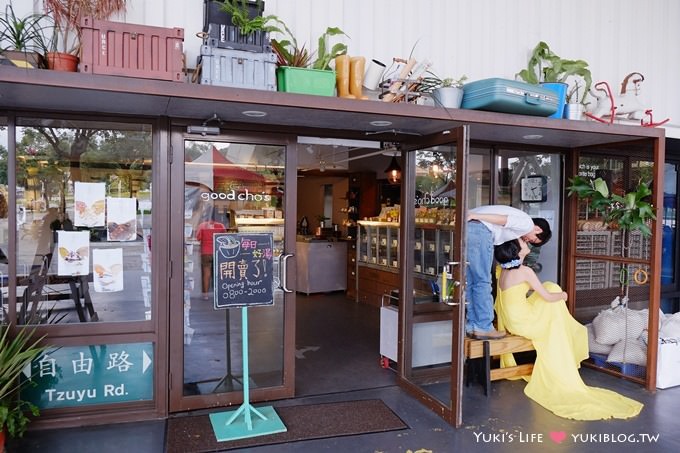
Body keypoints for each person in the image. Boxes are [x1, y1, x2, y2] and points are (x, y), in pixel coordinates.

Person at [493, 238, 643, 420]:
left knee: (551, 289)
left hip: (513, 321)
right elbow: (547, 297)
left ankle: (567, 332)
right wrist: (563, 295)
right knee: (554, 297)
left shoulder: (502, 270)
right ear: (517, 252)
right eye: (522, 243)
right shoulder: (525, 272)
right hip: (525, 322)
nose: (525, 243)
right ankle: (567, 338)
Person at [466, 205, 551, 340]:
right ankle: (484, 326)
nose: (528, 241)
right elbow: (502, 220)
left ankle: (473, 325)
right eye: (533, 239)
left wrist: (473, 216)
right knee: (482, 280)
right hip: (480, 229)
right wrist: (474, 216)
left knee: (472, 280)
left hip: (468, 228)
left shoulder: (519, 222)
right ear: (538, 229)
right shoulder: (527, 223)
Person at [196, 214, 226, 300]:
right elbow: (225, 238)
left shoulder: (202, 225)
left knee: (206, 274)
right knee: (218, 274)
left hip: (205, 252)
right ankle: (219, 293)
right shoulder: (221, 225)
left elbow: (198, 237)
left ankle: (205, 295)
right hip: (217, 252)